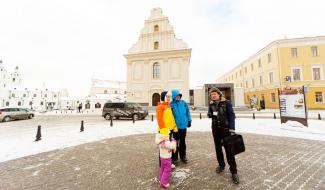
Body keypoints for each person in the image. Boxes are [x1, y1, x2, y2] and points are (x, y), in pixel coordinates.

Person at [207, 87, 240, 184]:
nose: (213, 96)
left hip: (225, 129)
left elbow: (231, 116)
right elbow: (211, 114)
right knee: (218, 149)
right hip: (215, 129)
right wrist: (210, 114)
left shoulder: (227, 103)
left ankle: (234, 172)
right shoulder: (211, 104)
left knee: (229, 151)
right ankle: (221, 165)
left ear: (219, 94)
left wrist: (232, 128)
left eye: (214, 94)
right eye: (211, 94)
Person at [156, 91, 178, 168]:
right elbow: (160, 120)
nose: (169, 98)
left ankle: (168, 162)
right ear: (163, 97)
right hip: (164, 131)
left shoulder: (168, 106)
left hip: (170, 130)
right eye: (167, 96)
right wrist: (164, 130)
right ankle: (162, 164)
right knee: (163, 148)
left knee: (168, 147)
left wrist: (174, 127)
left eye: (169, 97)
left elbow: (171, 118)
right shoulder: (160, 107)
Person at [170, 89, 192, 164]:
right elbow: (170, 116)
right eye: (176, 96)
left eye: (179, 95)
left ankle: (183, 156)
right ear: (173, 97)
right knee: (175, 143)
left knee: (182, 142)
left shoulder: (183, 103)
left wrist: (189, 120)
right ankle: (175, 158)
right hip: (175, 127)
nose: (178, 97)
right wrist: (171, 126)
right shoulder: (171, 104)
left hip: (183, 126)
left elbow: (188, 112)